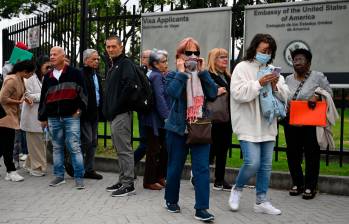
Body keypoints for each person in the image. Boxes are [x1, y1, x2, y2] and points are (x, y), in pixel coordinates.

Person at [229, 33, 289, 215]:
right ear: (254, 48)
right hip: (248, 124)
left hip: (267, 124)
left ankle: (261, 201)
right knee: (252, 162)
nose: (266, 54)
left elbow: (286, 95)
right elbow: (238, 94)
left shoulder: (273, 70)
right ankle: (237, 189)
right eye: (263, 50)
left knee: (266, 166)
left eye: (269, 51)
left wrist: (275, 86)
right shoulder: (242, 67)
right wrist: (258, 83)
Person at [164, 37, 218, 222]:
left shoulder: (204, 75)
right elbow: (171, 94)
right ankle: (171, 199)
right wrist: (182, 73)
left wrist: (202, 73)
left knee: (202, 169)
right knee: (175, 167)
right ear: (179, 55)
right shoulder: (172, 75)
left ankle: (201, 208)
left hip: (200, 128)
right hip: (177, 129)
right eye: (188, 53)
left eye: (196, 53)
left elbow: (212, 94)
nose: (193, 56)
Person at [284, 48, 333, 200]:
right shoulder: (288, 79)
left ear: (309, 63)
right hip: (292, 121)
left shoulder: (317, 76)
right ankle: (298, 183)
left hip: (311, 122)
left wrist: (318, 96)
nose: (297, 62)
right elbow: (284, 97)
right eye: (295, 60)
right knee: (293, 153)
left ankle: (311, 186)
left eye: (300, 59)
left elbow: (329, 93)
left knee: (312, 153)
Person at [38, 47, 87, 189]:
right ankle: (59, 176)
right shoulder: (47, 76)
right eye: (51, 54)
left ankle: (79, 177)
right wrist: (43, 117)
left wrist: (79, 111)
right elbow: (43, 98)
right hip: (53, 118)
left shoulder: (75, 73)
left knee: (74, 147)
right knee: (57, 147)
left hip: (71, 117)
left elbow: (83, 94)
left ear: (62, 56)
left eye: (55, 54)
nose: (51, 57)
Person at [103, 35, 137, 197]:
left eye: (113, 46)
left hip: (121, 114)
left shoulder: (125, 64)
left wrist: (115, 108)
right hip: (115, 114)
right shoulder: (114, 65)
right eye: (108, 47)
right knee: (119, 148)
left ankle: (128, 183)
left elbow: (129, 88)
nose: (110, 49)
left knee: (124, 149)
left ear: (121, 47)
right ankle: (122, 179)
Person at [0, 60, 35, 181]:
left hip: (12, 115)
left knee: (4, 145)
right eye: (30, 73)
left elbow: (22, 92)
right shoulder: (11, 80)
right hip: (5, 115)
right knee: (8, 144)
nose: (31, 76)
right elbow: (2, 99)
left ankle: (10, 171)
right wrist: (18, 102)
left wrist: (26, 99)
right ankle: (11, 171)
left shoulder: (20, 79)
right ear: (24, 71)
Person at [141, 49, 170, 190]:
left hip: (152, 118)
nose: (166, 64)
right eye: (163, 62)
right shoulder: (157, 76)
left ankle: (159, 176)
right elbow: (160, 99)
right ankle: (149, 180)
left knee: (161, 149)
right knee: (153, 150)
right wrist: (167, 117)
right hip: (155, 120)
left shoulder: (153, 74)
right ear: (155, 64)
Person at [20, 55, 51, 177]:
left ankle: (28, 165)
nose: (49, 69)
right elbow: (27, 95)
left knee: (40, 143)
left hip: (43, 116)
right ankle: (37, 168)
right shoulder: (30, 79)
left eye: (50, 66)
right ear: (40, 66)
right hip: (32, 117)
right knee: (36, 143)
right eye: (47, 66)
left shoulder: (47, 78)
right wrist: (45, 95)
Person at [207, 48, 233, 191]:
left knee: (223, 148)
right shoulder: (208, 76)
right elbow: (205, 94)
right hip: (213, 118)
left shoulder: (228, 76)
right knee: (211, 150)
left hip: (227, 117)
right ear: (213, 60)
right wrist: (216, 92)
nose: (225, 59)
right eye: (221, 57)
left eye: (225, 57)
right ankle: (198, 175)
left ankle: (219, 180)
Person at [80, 49, 104, 180]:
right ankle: (74, 164)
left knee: (93, 142)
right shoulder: (81, 74)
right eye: (94, 59)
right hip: (85, 114)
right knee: (87, 141)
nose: (97, 61)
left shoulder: (96, 75)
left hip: (95, 112)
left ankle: (89, 169)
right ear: (85, 61)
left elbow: (98, 93)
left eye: (98, 59)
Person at [134, 49, 152, 168]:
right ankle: (129, 165)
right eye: (145, 57)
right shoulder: (139, 72)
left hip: (153, 113)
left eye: (150, 57)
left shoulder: (154, 72)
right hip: (144, 112)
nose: (148, 59)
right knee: (144, 143)